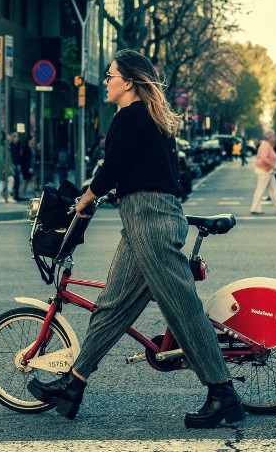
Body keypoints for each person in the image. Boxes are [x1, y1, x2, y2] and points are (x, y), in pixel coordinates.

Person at [26, 49, 244, 428]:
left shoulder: (130, 116)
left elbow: (112, 169)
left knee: (182, 306)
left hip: (151, 221)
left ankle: (223, 392)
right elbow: (141, 171)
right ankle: (73, 384)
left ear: (128, 82)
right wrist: (116, 191)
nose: (106, 82)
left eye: (110, 76)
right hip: (143, 218)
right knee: (111, 306)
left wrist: (85, 200)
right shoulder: (150, 117)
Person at [250, 130, 276, 215]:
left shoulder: (267, 145)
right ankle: (255, 208)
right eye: (273, 136)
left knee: (274, 189)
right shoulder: (265, 145)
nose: (274, 138)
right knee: (260, 189)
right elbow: (263, 158)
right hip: (264, 170)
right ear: (269, 138)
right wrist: (273, 166)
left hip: (269, 171)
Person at [0, 133, 16, 204]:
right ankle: (1, 196)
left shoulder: (6, 146)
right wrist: (3, 167)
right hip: (5, 167)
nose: (9, 138)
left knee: (8, 180)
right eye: (8, 136)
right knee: (2, 181)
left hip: (8, 167)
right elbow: (1, 158)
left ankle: (7, 195)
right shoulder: (2, 147)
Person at [9, 132, 23, 201]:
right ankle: (12, 194)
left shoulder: (18, 145)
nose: (17, 138)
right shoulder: (11, 146)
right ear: (13, 138)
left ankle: (15, 194)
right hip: (13, 164)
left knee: (17, 180)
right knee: (14, 180)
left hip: (18, 164)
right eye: (16, 137)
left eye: (17, 137)